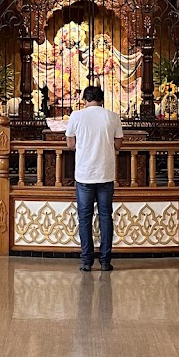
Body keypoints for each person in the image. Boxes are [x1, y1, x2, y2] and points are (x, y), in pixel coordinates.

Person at [66, 85, 124, 271]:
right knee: (106, 217)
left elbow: (70, 144)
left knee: (85, 218)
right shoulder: (112, 116)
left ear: (85, 100)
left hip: (84, 174)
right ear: (102, 100)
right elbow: (118, 144)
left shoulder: (76, 116)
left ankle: (86, 261)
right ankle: (105, 261)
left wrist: (84, 146)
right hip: (105, 173)